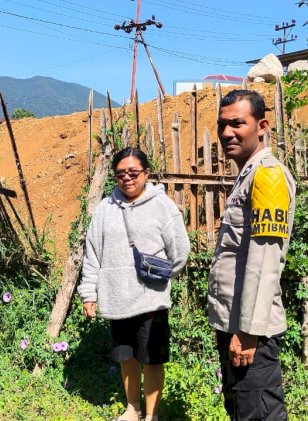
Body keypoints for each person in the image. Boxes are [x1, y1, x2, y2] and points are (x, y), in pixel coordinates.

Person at [78, 147, 190, 421]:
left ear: (146, 173)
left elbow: (180, 250)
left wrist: (160, 279)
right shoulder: (105, 208)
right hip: (117, 297)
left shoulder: (162, 206)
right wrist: (89, 293)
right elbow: (92, 253)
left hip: (150, 298)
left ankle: (151, 415)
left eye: (133, 172)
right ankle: (133, 409)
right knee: (126, 357)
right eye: (120, 174)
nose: (127, 178)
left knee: (152, 359)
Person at [208, 90, 296, 420]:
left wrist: (248, 332)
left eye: (237, 124)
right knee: (241, 411)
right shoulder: (248, 174)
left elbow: (264, 259)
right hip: (236, 325)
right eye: (222, 125)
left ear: (261, 126)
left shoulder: (267, 176)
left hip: (250, 333)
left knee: (257, 414)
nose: (227, 132)